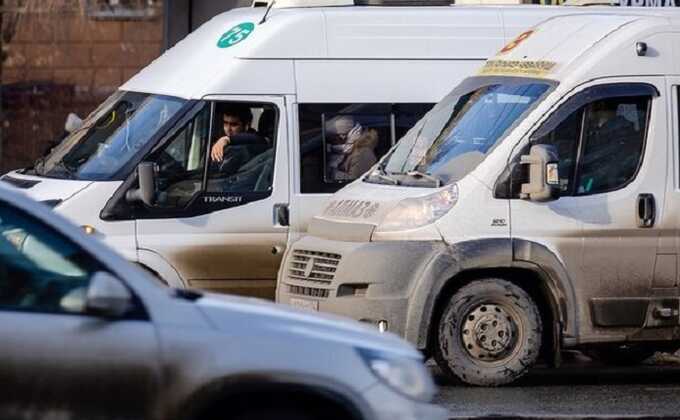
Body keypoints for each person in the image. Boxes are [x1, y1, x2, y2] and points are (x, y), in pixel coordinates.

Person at [210, 105, 269, 175]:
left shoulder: (255, 141)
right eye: (225, 123)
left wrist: (227, 139)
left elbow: (259, 139)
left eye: (234, 125)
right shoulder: (219, 143)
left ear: (246, 125)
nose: (228, 129)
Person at [325, 116, 378, 181]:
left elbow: (356, 182)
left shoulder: (362, 153)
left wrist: (332, 172)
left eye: (333, 138)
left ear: (347, 136)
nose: (331, 142)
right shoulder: (343, 152)